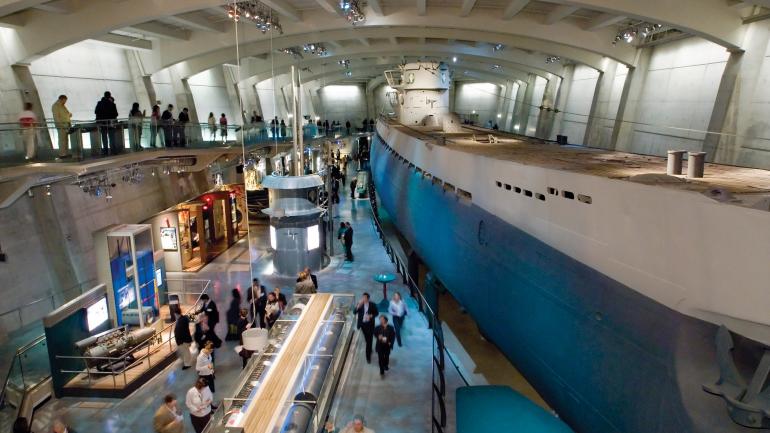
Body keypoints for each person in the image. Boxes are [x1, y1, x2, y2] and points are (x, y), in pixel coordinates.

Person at [355, 293, 379, 363]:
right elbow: (354, 312)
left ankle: (368, 357)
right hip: (362, 325)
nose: (363, 299)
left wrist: (371, 316)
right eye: (363, 297)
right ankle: (370, 348)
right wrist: (358, 306)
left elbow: (376, 313)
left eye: (365, 298)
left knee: (369, 341)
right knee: (366, 338)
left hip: (370, 325)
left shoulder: (372, 305)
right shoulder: (360, 304)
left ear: (368, 299)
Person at [94, 91, 119, 155]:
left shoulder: (99, 103)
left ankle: (105, 151)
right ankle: (113, 150)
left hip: (102, 123)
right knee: (112, 137)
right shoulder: (112, 104)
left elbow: (96, 111)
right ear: (110, 96)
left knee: (104, 137)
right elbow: (116, 114)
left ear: (104, 95)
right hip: (110, 122)